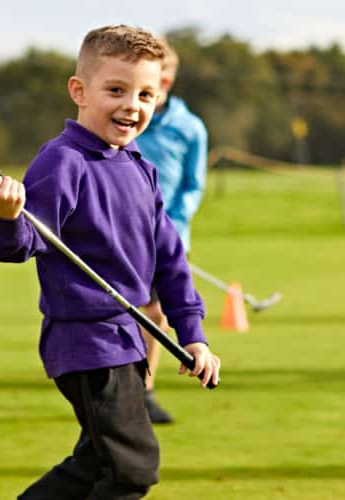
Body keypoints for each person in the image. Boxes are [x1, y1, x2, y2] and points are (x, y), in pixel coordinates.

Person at [0, 25, 220, 500]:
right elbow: (16, 243)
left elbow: (169, 259)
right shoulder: (62, 161)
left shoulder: (140, 167)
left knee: (96, 462)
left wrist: (193, 333)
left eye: (146, 94)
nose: (133, 105)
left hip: (126, 340)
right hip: (86, 341)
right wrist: (6, 217)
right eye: (117, 90)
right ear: (79, 92)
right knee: (133, 467)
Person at [136, 37, 209, 424]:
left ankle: (144, 391)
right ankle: (119, 389)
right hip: (122, 236)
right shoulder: (125, 117)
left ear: (168, 81)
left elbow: (193, 185)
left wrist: (174, 222)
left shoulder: (190, 128)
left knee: (156, 312)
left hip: (170, 237)